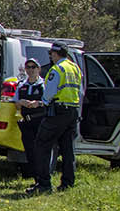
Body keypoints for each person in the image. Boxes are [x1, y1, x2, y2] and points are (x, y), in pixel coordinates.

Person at [30, 43, 82, 194]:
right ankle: (68, 183)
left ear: (56, 53)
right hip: (72, 110)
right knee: (67, 148)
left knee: (42, 145)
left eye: (51, 53)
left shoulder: (57, 69)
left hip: (58, 111)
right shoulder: (75, 68)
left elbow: (49, 93)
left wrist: (42, 103)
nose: (50, 56)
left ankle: (43, 184)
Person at [12, 58, 47, 179]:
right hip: (26, 121)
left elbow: (49, 102)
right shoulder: (21, 85)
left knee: (40, 150)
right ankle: (33, 175)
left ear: (39, 69)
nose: (31, 70)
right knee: (29, 149)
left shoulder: (44, 84)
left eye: (33, 67)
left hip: (40, 120)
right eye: (28, 67)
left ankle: (41, 176)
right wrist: (21, 102)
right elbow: (15, 104)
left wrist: (38, 103)